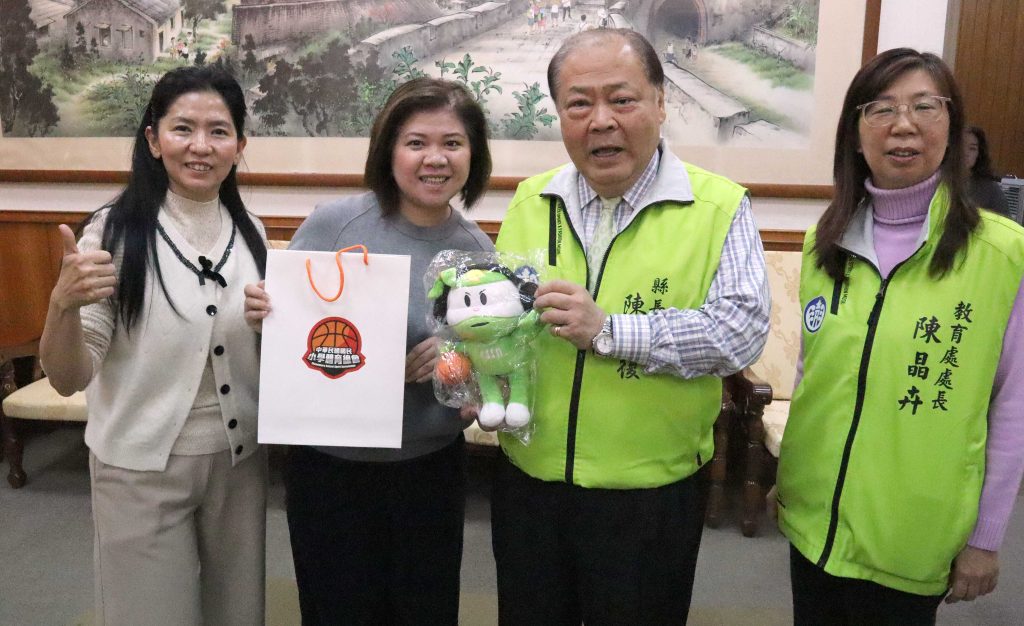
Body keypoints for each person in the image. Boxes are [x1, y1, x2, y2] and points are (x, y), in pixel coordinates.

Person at [491, 29, 770, 625]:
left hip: (649, 496)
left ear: (661, 103)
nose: (601, 121)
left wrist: (610, 330)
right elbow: (504, 321)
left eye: (621, 99)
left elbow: (741, 332)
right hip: (529, 484)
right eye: (579, 104)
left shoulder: (718, 207)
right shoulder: (530, 199)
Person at [774, 48, 1024, 625]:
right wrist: (789, 479)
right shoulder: (825, 242)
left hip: (912, 532)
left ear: (953, 128)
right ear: (855, 134)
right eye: (881, 108)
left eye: (924, 106)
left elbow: (1012, 406)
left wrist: (986, 538)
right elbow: (813, 373)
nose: (903, 124)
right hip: (813, 521)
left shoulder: (1002, 253)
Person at [243, 77, 494, 625]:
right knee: (336, 610)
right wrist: (266, 314)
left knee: (425, 612)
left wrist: (458, 359)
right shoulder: (335, 223)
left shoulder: (476, 252)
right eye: (416, 142)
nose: (435, 159)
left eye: (453, 143)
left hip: (428, 468)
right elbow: (290, 341)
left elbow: (484, 373)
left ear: (473, 155)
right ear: (388, 150)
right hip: (330, 470)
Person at [39, 66, 268, 625]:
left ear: (239, 146)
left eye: (219, 131)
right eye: (182, 128)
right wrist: (61, 306)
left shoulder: (253, 233)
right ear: (153, 139)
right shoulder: (113, 232)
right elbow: (68, 377)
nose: (200, 146)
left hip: (239, 464)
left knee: (238, 613)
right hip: (139, 467)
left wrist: (272, 331)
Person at [964, 125, 1010, 216]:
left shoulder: (991, 190)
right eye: (960, 146)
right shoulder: (938, 181)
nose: (965, 153)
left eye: (972, 148)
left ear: (979, 154)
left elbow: (1004, 221)